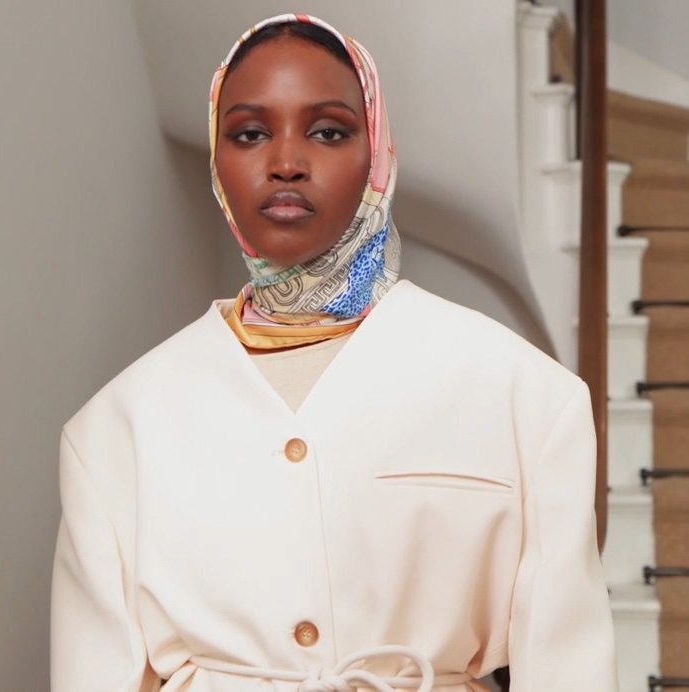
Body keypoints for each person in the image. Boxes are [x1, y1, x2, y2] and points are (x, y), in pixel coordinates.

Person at [50, 13, 618, 692]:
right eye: (250, 133)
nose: (286, 161)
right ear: (216, 155)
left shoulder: (526, 396)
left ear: (375, 149)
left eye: (328, 130)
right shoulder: (115, 430)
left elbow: (568, 671)